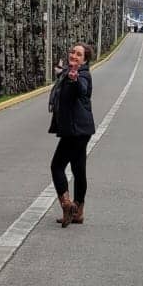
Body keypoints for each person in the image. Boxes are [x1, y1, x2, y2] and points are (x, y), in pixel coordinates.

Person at [49, 42, 95, 226]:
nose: (74, 56)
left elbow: (81, 87)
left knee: (57, 166)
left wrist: (73, 78)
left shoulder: (82, 75)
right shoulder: (68, 73)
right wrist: (62, 74)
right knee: (78, 169)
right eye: (72, 52)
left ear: (84, 60)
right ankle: (78, 212)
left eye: (78, 54)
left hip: (76, 131)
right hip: (81, 129)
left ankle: (67, 204)